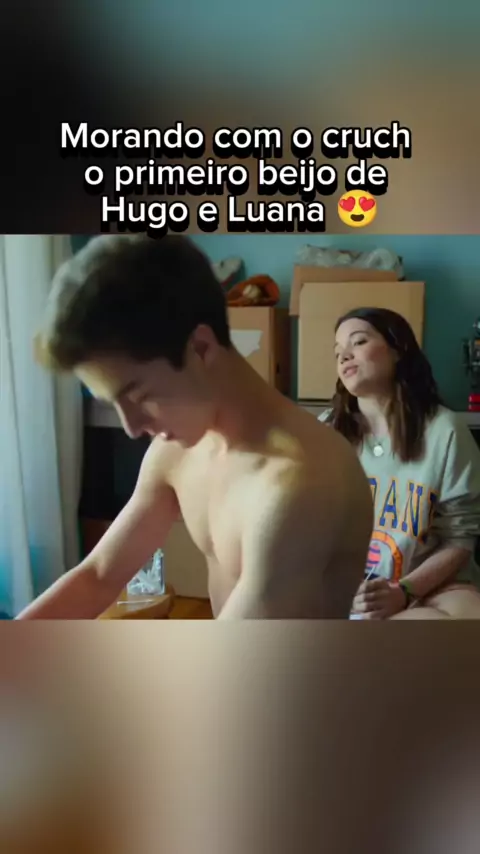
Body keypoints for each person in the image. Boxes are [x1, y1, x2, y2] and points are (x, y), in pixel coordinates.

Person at [17, 235, 373, 620]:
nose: (132, 428)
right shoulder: (177, 449)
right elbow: (99, 577)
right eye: (112, 403)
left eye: (139, 395)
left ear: (201, 348)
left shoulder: (298, 485)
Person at [323, 306, 480, 620]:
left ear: (397, 350)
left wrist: (405, 591)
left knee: (466, 622)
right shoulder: (326, 432)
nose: (344, 356)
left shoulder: (445, 431)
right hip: (353, 591)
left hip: (433, 585)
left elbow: (460, 538)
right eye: (338, 352)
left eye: (359, 342)